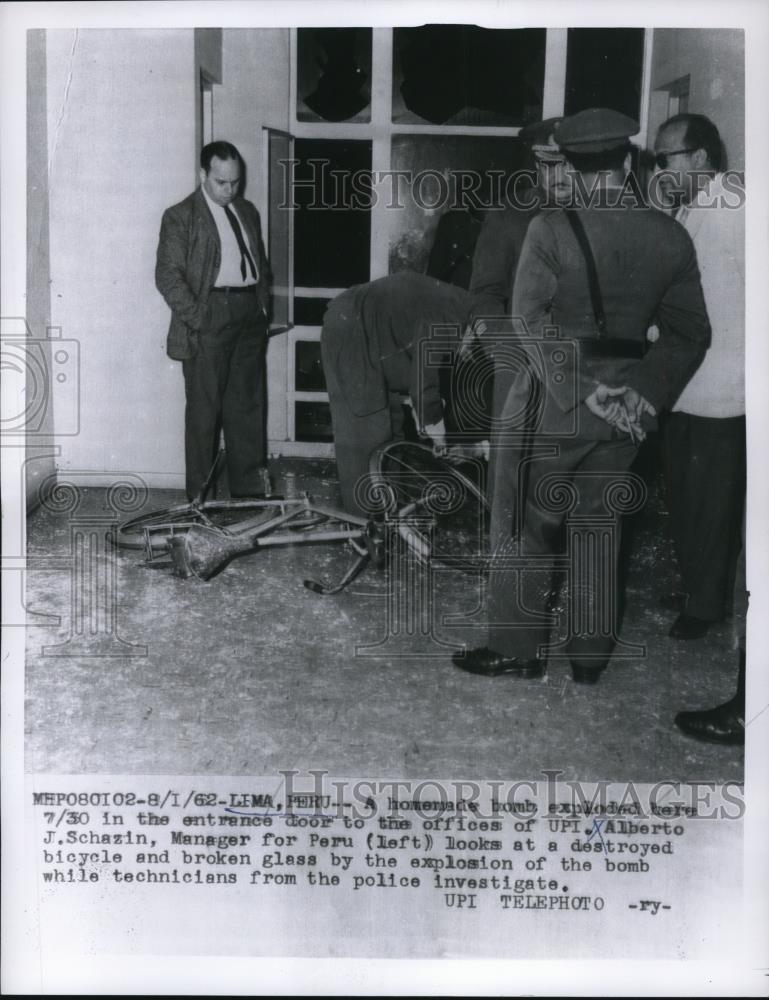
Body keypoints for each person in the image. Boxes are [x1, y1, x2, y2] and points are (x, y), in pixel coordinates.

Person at [452, 108, 711, 685]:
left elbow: (528, 321)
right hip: (628, 410)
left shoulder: (549, 227)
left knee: (532, 524)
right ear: (627, 161)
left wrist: (581, 390)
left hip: (560, 400)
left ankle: (519, 650)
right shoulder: (670, 233)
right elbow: (690, 333)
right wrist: (640, 393)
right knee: (602, 526)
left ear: (570, 165)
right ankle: (590, 657)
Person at [653, 114, 745, 640]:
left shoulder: (735, 209)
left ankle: (705, 606)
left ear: (701, 159)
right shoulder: (693, 210)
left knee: (710, 501)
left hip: (723, 384)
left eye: (667, 158)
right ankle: (697, 587)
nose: (661, 169)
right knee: (686, 494)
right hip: (688, 381)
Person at [156, 140, 272, 501]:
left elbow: (260, 265)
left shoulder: (247, 211)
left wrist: (262, 308)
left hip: (248, 316)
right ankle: (199, 501)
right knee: (205, 415)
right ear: (203, 174)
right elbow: (168, 276)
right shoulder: (180, 216)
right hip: (210, 317)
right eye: (222, 182)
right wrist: (201, 318)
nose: (230, 190)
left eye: (235, 182)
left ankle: (249, 496)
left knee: (248, 409)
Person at [320, 271, 479, 517]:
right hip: (351, 330)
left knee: (391, 432)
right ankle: (367, 527)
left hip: (368, 333)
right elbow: (423, 384)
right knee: (366, 434)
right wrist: (439, 438)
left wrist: (428, 423)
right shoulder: (448, 318)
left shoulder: (458, 306)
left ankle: (390, 514)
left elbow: (424, 374)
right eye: (472, 347)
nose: (467, 353)